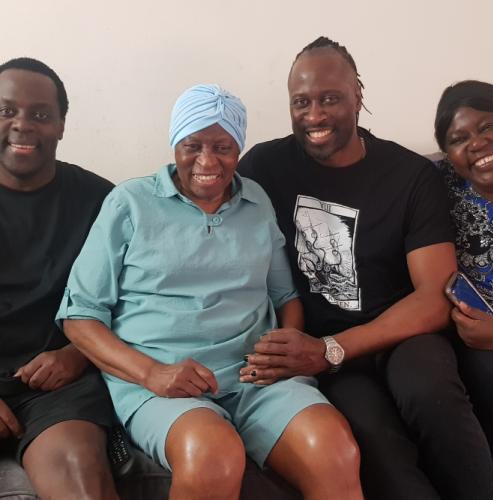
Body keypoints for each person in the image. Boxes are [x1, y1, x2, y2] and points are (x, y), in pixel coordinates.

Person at [57, 84, 364, 500]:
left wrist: (286, 345)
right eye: (192, 146)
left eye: (223, 147)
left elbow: (285, 297)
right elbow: (80, 316)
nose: (207, 161)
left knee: (334, 450)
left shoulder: (256, 201)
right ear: (175, 145)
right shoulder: (130, 203)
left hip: (257, 379)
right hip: (161, 381)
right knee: (211, 455)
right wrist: (152, 373)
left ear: (239, 150)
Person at [238, 36, 493, 500]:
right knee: (373, 436)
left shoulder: (410, 176)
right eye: (301, 102)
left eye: (330, 99)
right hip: (325, 351)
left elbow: (433, 296)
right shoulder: (265, 165)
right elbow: (209, 213)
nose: (314, 115)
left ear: (358, 94)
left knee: (430, 393)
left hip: (404, 336)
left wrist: (331, 350)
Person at [0, 58, 118, 499]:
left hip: (58, 388)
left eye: (40, 114)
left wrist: (78, 355)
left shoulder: (104, 202)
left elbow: (136, 302)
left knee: (82, 485)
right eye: (6, 110)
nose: (22, 124)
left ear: (62, 125)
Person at [434, 79, 493, 480]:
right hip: (474, 342)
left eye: (488, 126)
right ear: (448, 155)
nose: (476, 143)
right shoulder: (440, 187)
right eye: (459, 139)